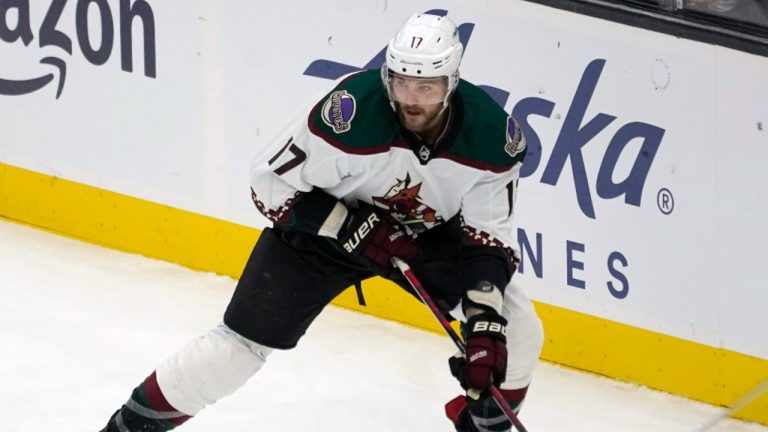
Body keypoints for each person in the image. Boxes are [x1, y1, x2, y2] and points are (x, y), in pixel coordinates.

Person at [101, 12, 544, 432]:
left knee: (517, 328)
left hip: (420, 240)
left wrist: (484, 317)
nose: (411, 100)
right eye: (402, 83)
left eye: (426, 88)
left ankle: (482, 425)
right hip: (320, 238)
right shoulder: (349, 114)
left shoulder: (493, 137)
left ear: (452, 82)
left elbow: (489, 237)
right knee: (237, 349)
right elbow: (268, 184)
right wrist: (344, 226)